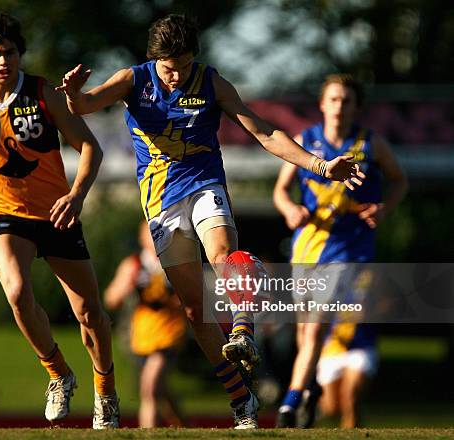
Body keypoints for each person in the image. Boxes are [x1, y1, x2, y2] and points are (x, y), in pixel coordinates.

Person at [57, 15, 363, 429]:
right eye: (169, 69)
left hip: (204, 186)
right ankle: (242, 400)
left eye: (184, 66)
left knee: (223, 255)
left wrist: (321, 166)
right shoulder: (133, 79)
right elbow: (86, 104)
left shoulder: (211, 83)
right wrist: (74, 95)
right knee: (194, 311)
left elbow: (265, 132)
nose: (177, 76)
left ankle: (242, 330)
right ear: (154, 61)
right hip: (160, 201)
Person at [0, 13, 119, 429]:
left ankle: (104, 389)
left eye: (10, 53)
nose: (3, 62)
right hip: (4, 215)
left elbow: (90, 147)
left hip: (57, 213)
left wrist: (76, 195)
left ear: (20, 56)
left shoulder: (44, 94)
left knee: (89, 313)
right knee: (17, 292)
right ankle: (58, 373)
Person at [272, 73, 407, 427]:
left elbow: (399, 180)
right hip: (308, 247)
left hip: (350, 250)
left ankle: (288, 404)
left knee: (315, 328)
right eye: (333, 99)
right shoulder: (307, 141)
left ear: (357, 107)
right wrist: (290, 210)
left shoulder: (370, 144)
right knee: (305, 334)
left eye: (346, 100)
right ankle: (312, 388)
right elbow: (281, 190)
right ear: (322, 104)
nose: (339, 106)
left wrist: (384, 207)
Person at [104, 221, 187, 428]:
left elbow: (192, 298)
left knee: (149, 387)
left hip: (169, 333)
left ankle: (146, 432)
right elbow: (110, 299)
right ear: (141, 237)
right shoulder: (133, 264)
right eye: (149, 234)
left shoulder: (175, 263)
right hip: (142, 336)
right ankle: (186, 426)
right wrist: (126, 287)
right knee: (161, 390)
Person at [316, 270, 379, 428]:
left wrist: (371, 311)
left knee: (350, 396)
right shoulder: (325, 275)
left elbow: (388, 303)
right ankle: (310, 406)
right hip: (332, 348)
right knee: (331, 408)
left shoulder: (369, 275)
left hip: (362, 346)